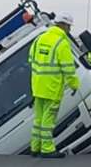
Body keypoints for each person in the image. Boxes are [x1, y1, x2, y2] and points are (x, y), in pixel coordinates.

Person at [28, 12, 80, 158]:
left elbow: (31, 59)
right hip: (52, 88)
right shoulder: (61, 43)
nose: (69, 30)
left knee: (38, 118)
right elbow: (68, 69)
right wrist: (74, 84)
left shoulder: (40, 38)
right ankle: (47, 149)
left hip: (37, 86)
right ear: (64, 26)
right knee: (48, 121)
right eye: (69, 27)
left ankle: (35, 147)